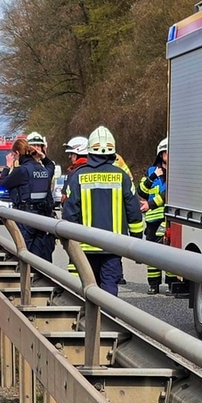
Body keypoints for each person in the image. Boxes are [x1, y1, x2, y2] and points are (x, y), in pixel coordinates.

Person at [61, 125, 143, 296]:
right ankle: (107, 321)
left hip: (84, 247)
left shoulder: (78, 176)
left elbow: (69, 213)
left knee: (88, 288)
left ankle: (91, 321)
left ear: (90, 150)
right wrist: (136, 241)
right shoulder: (122, 176)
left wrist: (69, 241)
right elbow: (134, 213)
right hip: (113, 247)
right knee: (109, 288)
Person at [0, 132, 58, 261]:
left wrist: (7, 166)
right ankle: (43, 278)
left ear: (18, 154)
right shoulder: (44, 171)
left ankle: (27, 279)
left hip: (26, 217)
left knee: (25, 253)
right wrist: (44, 157)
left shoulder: (22, 171)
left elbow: (1, 185)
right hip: (43, 217)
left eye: (14, 155)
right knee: (42, 253)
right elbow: (51, 166)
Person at [138, 138, 170, 292]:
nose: (169, 155)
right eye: (166, 152)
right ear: (161, 154)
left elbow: (168, 194)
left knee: (170, 253)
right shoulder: (151, 171)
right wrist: (152, 178)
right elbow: (141, 191)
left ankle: (172, 284)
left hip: (168, 219)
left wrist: (150, 204)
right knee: (152, 255)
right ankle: (154, 284)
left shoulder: (177, 172)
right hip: (152, 220)